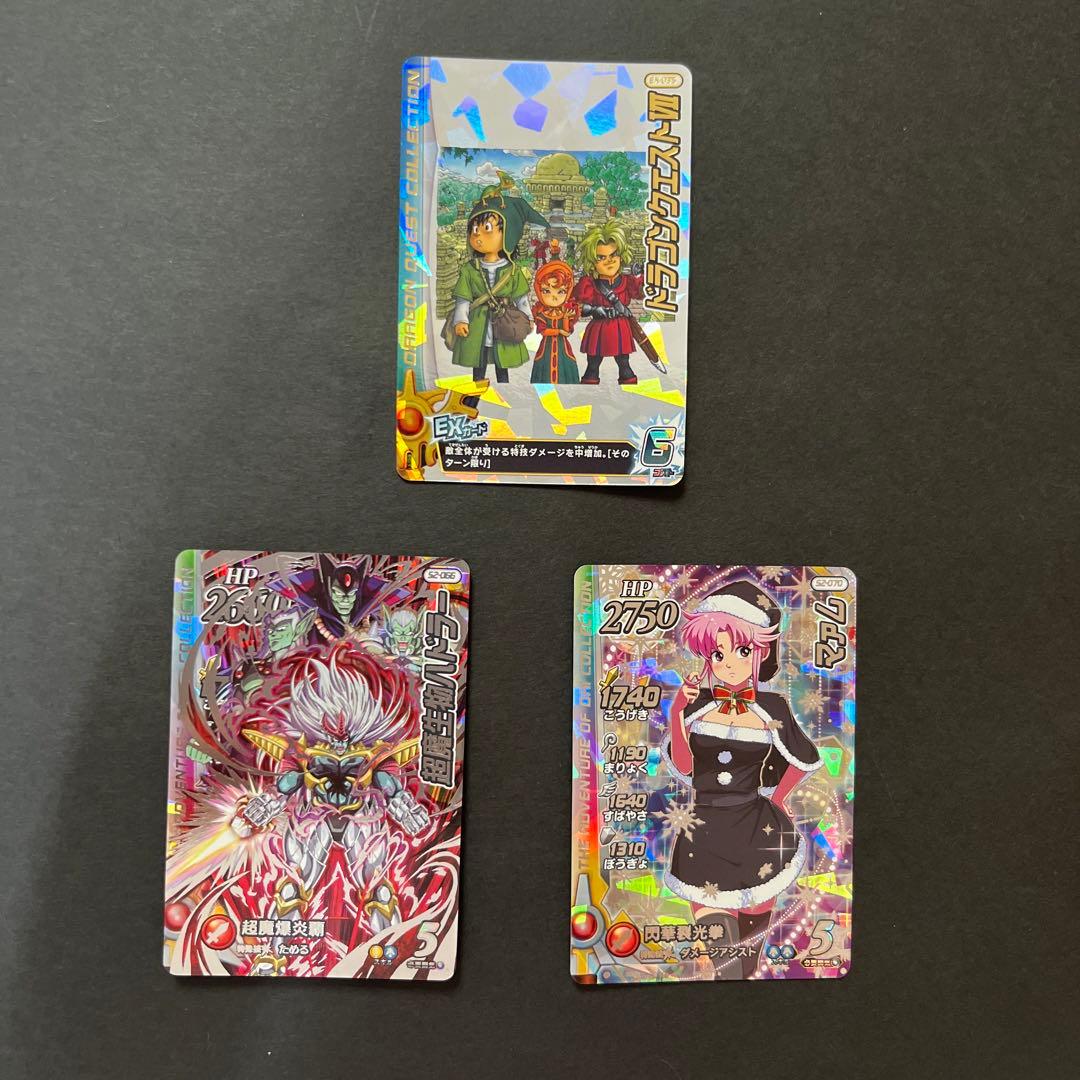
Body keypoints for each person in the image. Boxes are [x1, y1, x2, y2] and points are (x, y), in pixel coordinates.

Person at [662, 581, 823, 978]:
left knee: (747, 965)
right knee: (725, 962)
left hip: (757, 835)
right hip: (702, 835)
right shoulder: (698, 706)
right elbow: (685, 767)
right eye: (717, 653)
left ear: (762, 651)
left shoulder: (773, 707)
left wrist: (779, 798)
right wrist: (678, 712)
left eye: (742, 651)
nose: (728, 663)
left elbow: (804, 759)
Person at [448, 194, 548, 383]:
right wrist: (461, 320)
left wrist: (528, 318)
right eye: (474, 230)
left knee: (502, 363)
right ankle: (475, 393)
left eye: (487, 229)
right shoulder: (470, 269)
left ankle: (505, 390)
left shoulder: (512, 270)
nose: (477, 235)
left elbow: (521, 299)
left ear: (507, 234)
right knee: (478, 361)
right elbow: (463, 298)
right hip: (477, 323)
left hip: (505, 320)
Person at [572, 221, 643, 385]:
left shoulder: (626, 280)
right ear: (592, 262)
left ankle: (627, 381)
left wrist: (638, 277)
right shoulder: (589, 283)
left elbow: (638, 293)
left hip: (620, 325)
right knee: (593, 363)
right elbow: (576, 304)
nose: (609, 261)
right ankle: (589, 384)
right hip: (599, 326)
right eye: (601, 257)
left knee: (624, 362)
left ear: (621, 256)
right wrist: (593, 309)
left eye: (613, 255)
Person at [529, 255, 580, 385]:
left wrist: (566, 318)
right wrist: (558, 331)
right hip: (545, 350)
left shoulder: (565, 312)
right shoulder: (542, 314)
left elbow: (567, 332)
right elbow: (543, 331)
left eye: (560, 291)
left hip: (563, 350)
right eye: (547, 291)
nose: (554, 297)